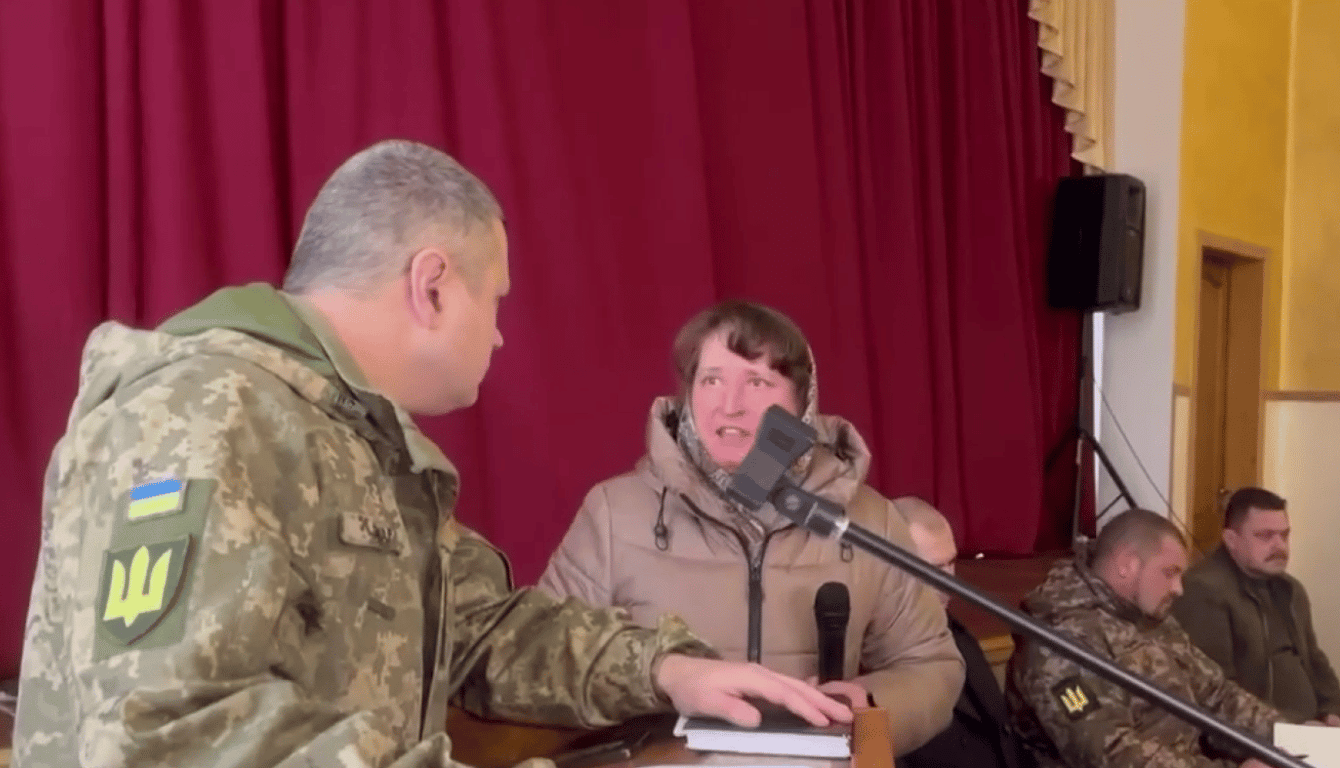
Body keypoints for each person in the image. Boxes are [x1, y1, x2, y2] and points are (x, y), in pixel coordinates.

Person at [11, 139, 851, 768]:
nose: (499, 334)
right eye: (495, 300)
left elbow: (479, 628)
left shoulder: (354, 439)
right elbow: (174, 734)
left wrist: (665, 669)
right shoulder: (202, 416)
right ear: (433, 285)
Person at [537, 299, 964, 758]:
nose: (730, 405)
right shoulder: (612, 514)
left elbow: (931, 665)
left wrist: (869, 714)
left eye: (757, 382)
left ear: (802, 404)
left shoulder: (866, 520)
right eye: (711, 380)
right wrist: (659, 677)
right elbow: (542, 657)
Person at [1004, 509, 1287, 768]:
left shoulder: (1151, 617)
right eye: (1169, 573)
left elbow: (1217, 696)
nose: (1178, 589)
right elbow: (1111, 754)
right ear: (1127, 564)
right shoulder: (1058, 640)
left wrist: (1287, 737)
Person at [1171, 487, 1340, 726]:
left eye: (1284, 535)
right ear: (1231, 540)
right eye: (1265, 536)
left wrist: (1334, 712)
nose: (1279, 546)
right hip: (1254, 735)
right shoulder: (1203, 590)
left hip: (1310, 730)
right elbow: (1214, 692)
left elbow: (1315, 662)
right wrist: (1291, 727)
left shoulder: (1291, 589)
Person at [893, 497, 1036, 768]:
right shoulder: (872, 661)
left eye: (951, 563)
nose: (949, 582)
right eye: (933, 569)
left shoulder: (954, 632)